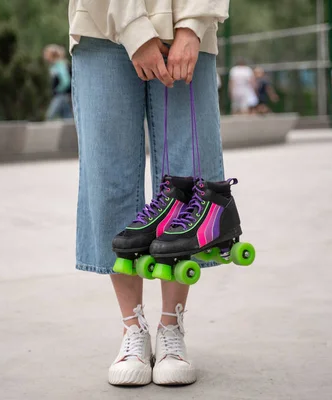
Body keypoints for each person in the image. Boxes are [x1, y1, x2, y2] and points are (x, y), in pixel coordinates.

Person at [69, 0, 229, 386]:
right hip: (102, 24)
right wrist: (135, 31)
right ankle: (132, 329)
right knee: (110, 178)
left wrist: (192, 26)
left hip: (187, 29)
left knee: (188, 177)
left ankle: (171, 327)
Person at [44, 44, 73, 120]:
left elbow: (66, 81)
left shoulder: (59, 65)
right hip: (64, 95)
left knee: (50, 116)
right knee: (67, 117)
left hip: (61, 95)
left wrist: (57, 90)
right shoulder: (58, 65)